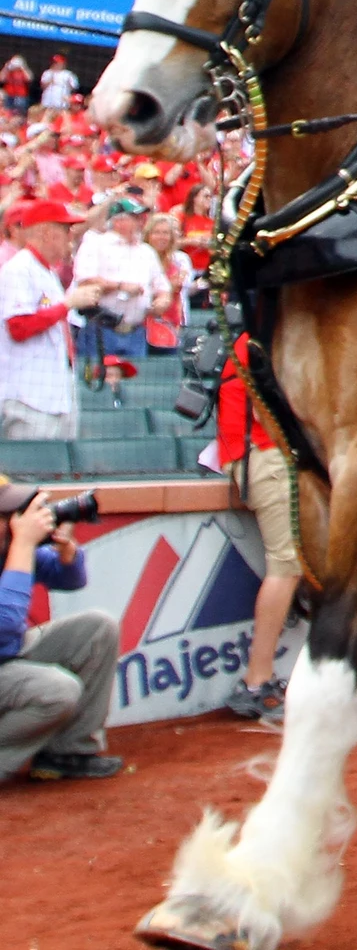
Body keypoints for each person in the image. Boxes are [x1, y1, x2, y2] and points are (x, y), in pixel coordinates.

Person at [0, 481, 122, 781]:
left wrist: (68, 554)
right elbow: (5, 624)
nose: (22, 519)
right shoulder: (17, 546)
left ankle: (68, 753)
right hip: (5, 645)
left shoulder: (8, 547)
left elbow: (71, 580)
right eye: (12, 514)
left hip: (7, 655)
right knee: (58, 690)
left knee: (97, 628)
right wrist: (23, 544)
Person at [215, 340, 298, 724]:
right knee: (286, 567)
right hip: (265, 459)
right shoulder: (258, 340)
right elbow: (270, 414)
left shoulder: (253, 337)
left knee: (292, 566)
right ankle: (256, 680)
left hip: (256, 459)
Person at [1, 200, 106, 442]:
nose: (71, 235)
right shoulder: (18, 269)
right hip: (28, 395)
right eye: (65, 229)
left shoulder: (46, 271)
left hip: (56, 391)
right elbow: (18, 327)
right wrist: (67, 304)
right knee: (31, 472)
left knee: (62, 474)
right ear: (46, 232)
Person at [70, 197, 165, 400]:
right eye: (135, 217)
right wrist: (120, 286)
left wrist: (162, 301)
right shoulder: (96, 244)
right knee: (96, 391)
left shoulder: (146, 252)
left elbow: (162, 287)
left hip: (136, 331)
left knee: (137, 394)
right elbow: (85, 282)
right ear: (118, 220)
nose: (141, 221)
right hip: (103, 329)